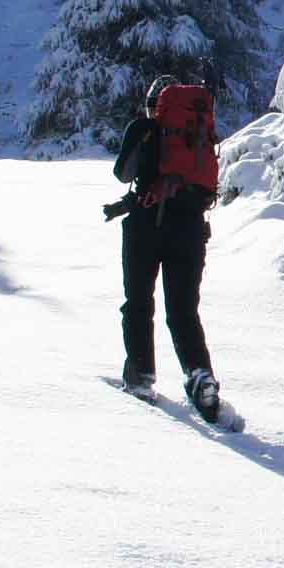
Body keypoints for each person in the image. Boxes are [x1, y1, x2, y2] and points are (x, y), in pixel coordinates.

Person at [112, 75, 220, 420]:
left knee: (138, 303)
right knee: (184, 311)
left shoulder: (143, 128)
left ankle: (141, 375)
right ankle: (200, 376)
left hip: (146, 227)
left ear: (154, 105)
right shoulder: (198, 135)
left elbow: (122, 173)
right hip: (191, 230)